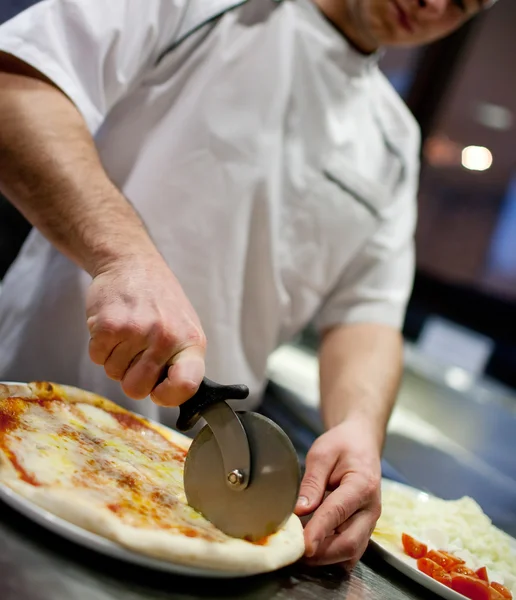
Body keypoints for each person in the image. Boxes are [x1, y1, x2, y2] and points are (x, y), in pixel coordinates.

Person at [0, 0, 496, 569]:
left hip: (198, 493)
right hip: (33, 415)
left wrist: (360, 429)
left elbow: (367, 314)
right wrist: (123, 259)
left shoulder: (394, 142)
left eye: (461, 5)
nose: (433, 4)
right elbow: (15, 84)